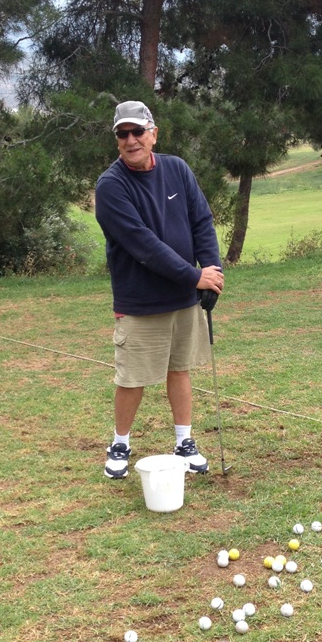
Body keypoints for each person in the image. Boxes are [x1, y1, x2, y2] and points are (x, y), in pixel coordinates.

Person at [94, 100, 224, 479]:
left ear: (153, 134)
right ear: (117, 140)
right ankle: (120, 443)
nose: (131, 140)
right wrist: (194, 276)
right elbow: (144, 246)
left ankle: (184, 441)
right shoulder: (111, 186)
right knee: (132, 379)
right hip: (140, 301)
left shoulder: (176, 169)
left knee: (180, 370)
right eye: (123, 134)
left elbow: (201, 221)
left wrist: (212, 271)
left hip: (183, 297)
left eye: (138, 131)